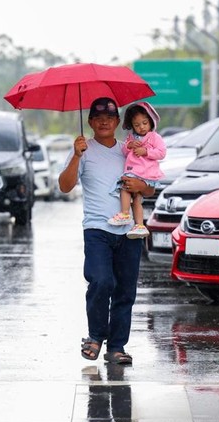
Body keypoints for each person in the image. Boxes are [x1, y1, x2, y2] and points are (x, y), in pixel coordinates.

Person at [57, 97, 156, 365]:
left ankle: (116, 347)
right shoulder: (83, 150)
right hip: (97, 229)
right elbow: (64, 186)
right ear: (90, 121)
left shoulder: (129, 150)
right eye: (98, 117)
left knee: (125, 291)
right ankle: (95, 336)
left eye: (110, 117)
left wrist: (141, 186)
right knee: (101, 281)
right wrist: (76, 157)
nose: (104, 121)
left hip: (129, 232)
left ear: (117, 122)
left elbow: (150, 187)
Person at [107, 102, 166, 239]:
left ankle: (125, 213)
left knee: (124, 188)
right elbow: (124, 151)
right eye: (137, 125)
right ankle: (139, 225)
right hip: (135, 171)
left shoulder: (154, 137)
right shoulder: (131, 137)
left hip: (143, 173)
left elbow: (161, 153)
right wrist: (129, 145)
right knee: (137, 199)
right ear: (132, 126)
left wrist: (146, 151)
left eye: (145, 123)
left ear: (151, 121)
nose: (141, 127)